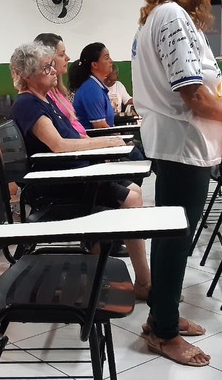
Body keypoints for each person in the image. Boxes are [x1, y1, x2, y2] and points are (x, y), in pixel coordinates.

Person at [132, 0, 222, 367]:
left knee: (174, 238)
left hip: (182, 144)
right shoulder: (172, 16)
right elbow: (194, 95)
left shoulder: (164, 16)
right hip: (183, 145)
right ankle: (163, 333)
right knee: (175, 240)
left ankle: (161, 315)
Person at [8, 42, 151, 300]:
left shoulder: (45, 100)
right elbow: (59, 145)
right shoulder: (27, 104)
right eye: (46, 68)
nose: (54, 71)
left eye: (52, 66)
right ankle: (144, 282)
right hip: (55, 184)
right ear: (28, 75)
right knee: (132, 199)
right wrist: (106, 143)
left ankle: (117, 271)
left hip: (73, 174)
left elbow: (73, 138)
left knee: (134, 190)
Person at [33, 33, 86, 136]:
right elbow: (61, 137)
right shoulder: (44, 95)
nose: (68, 58)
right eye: (62, 55)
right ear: (48, 59)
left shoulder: (58, 91)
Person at [69, 42, 117, 129]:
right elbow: (101, 127)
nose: (111, 61)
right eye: (106, 58)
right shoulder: (91, 90)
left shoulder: (96, 86)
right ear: (94, 65)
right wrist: (119, 136)